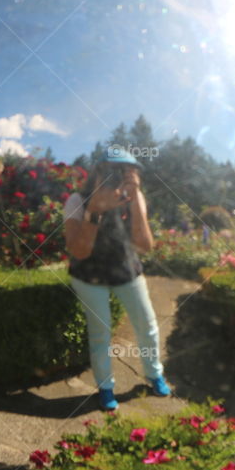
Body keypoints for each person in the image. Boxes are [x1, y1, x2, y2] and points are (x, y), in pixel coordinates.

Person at [63, 149, 171, 410]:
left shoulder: (134, 198)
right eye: (109, 170)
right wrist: (95, 211)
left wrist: (134, 200)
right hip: (89, 275)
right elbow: (78, 250)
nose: (115, 177)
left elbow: (145, 246)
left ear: (133, 175)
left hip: (126, 271)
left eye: (123, 171)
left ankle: (154, 373)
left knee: (147, 325)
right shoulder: (77, 200)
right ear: (96, 172)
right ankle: (105, 387)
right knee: (101, 332)